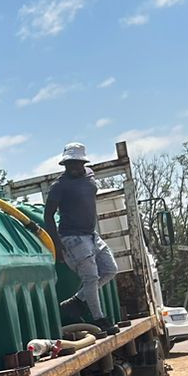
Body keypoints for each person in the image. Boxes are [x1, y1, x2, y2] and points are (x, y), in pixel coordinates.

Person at [43, 141, 118, 334]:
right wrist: (57, 247)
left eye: (76, 163)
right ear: (64, 165)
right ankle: (100, 320)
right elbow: (48, 215)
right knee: (91, 278)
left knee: (110, 270)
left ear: (83, 162)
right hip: (72, 237)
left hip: (91, 235)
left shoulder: (90, 175)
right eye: (69, 164)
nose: (73, 167)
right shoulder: (59, 186)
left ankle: (77, 301)